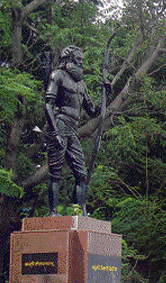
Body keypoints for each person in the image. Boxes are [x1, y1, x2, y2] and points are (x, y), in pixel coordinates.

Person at [44, 45, 101, 216]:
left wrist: (107, 94)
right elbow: (48, 105)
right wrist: (55, 133)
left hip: (73, 130)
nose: (81, 62)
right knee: (56, 172)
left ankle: (81, 212)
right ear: (68, 59)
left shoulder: (82, 84)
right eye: (78, 59)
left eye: (83, 60)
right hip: (59, 125)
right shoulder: (58, 76)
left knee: (81, 174)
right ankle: (53, 211)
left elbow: (93, 112)